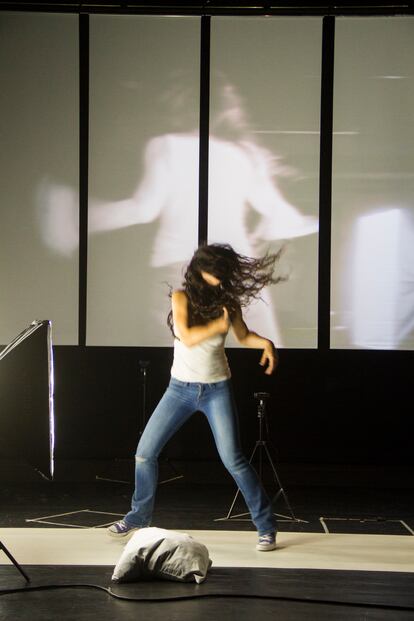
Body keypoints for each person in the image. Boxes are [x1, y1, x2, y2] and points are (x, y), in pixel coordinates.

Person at [107, 243, 283, 551]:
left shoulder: (229, 302)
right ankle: (138, 518)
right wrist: (218, 323)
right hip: (180, 390)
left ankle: (266, 526)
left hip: (217, 390)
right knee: (145, 452)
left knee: (234, 460)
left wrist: (265, 342)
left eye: (224, 271)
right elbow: (186, 335)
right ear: (200, 270)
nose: (221, 276)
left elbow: (242, 337)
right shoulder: (181, 297)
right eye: (215, 270)